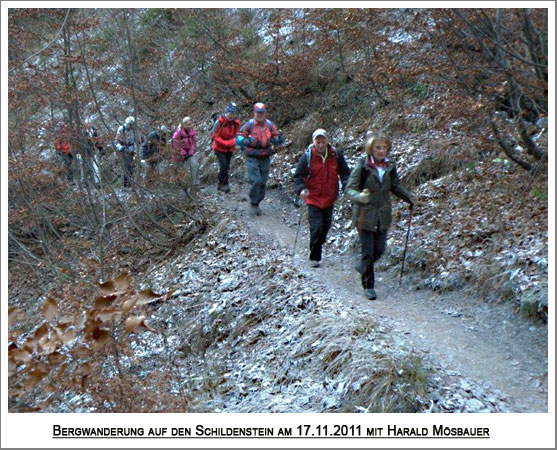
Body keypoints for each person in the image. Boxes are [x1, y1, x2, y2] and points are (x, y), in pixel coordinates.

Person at [346, 134, 415, 300]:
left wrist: (409, 198)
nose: (381, 151)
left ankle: (363, 266)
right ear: (371, 149)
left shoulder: (389, 167)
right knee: (368, 251)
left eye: (384, 148)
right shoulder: (363, 166)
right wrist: (359, 197)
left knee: (380, 249)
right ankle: (368, 286)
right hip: (364, 215)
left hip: (382, 215)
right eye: (377, 147)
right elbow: (349, 189)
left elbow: (395, 186)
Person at [294, 129, 351, 267]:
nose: (320, 145)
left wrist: (347, 186)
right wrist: (301, 189)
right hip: (313, 198)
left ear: (327, 141)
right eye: (318, 142)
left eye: (323, 141)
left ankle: (318, 244)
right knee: (316, 228)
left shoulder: (336, 155)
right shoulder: (307, 157)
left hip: (329, 198)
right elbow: (298, 177)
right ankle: (315, 257)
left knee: (325, 228)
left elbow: (345, 173)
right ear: (313, 142)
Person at [236, 103, 284, 215]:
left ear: (265, 113)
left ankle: (257, 202)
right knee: (256, 180)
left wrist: (279, 139)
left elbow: (275, 136)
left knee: (263, 182)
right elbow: (239, 137)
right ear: (254, 113)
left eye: (262, 113)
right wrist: (244, 141)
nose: (260, 115)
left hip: (265, 156)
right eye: (258, 113)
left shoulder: (270, 125)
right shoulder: (249, 125)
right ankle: (253, 202)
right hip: (252, 156)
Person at [211, 102, 240, 193]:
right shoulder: (219, 122)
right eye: (230, 113)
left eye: (233, 114)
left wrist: (230, 143)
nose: (231, 115)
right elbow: (214, 135)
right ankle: (224, 183)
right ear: (226, 112)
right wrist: (225, 143)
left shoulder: (235, 124)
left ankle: (222, 183)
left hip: (229, 148)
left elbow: (236, 135)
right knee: (223, 165)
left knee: (226, 166)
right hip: (219, 148)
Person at [172, 116, 198, 189]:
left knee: (194, 165)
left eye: (190, 124)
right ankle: (179, 184)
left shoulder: (192, 132)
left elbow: (194, 143)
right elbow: (176, 145)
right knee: (179, 169)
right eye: (187, 125)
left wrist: (190, 152)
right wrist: (183, 153)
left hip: (189, 153)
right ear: (183, 125)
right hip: (179, 154)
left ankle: (194, 183)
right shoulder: (178, 133)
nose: (189, 126)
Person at [115, 116, 137, 187]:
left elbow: (135, 140)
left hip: (131, 150)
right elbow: (116, 141)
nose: (132, 126)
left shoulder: (133, 131)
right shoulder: (122, 129)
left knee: (131, 166)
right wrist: (120, 147)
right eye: (131, 125)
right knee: (127, 167)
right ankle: (126, 183)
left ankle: (131, 182)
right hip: (124, 150)